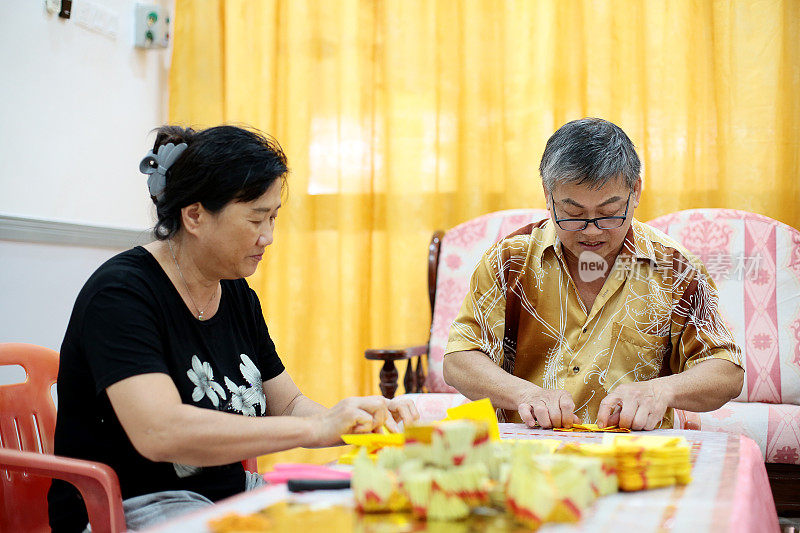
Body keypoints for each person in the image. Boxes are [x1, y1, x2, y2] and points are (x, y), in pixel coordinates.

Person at [48, 125, 419, 532]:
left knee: (371, 502)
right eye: (257, 219)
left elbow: (290, 403)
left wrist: (354, 421)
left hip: (225, 492)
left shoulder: (237, 294)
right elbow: (160, 431)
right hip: (130, 506)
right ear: (195, 215)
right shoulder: (121, 294)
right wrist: (315, 429)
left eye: (274, 217)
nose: (269, 237)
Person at [443, 118, 744, 432]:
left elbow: (727, 372)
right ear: (548, 194)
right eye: (573, 214)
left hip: (634, 452)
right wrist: (526, 393)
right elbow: (459, 359)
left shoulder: (674, 268)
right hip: (527, 450)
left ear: (636, 190)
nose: (591, 231)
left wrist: (660, 391)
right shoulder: (510, 260)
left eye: (608, 212)